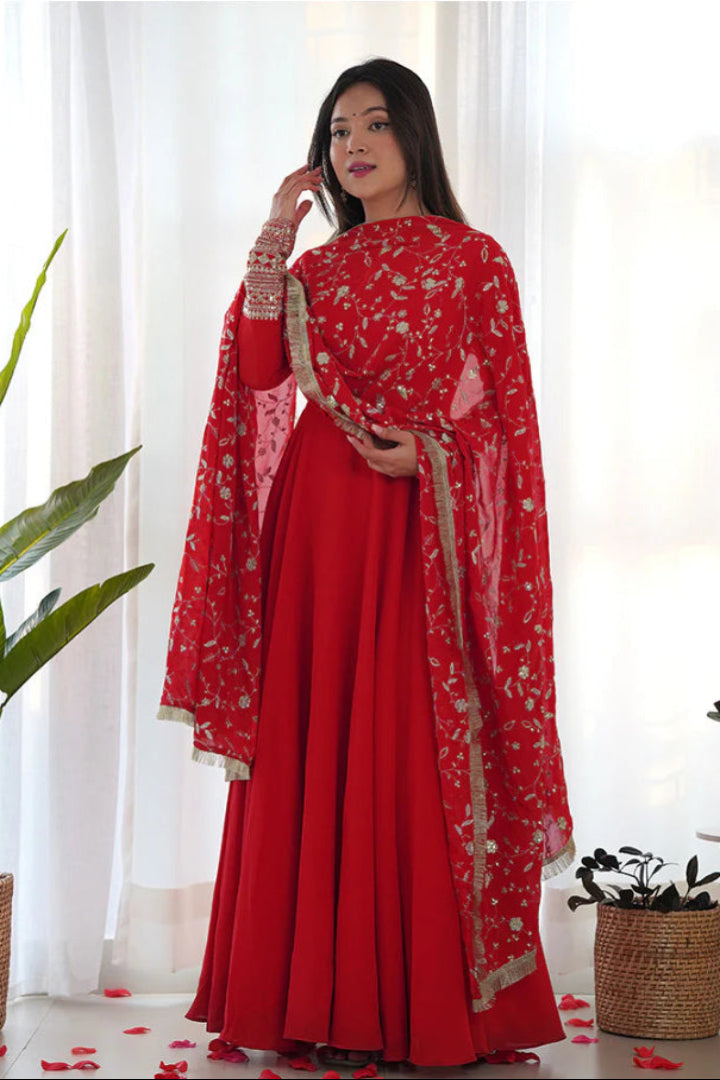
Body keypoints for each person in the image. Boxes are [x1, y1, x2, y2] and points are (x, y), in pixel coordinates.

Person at [158, 58, 574, 1070]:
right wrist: (274, 234)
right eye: (339, 128)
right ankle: (309, 1001)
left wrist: (431, 455)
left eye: (376, 123)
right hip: (318, 533)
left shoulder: (475, 262)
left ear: (415, 135)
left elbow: (506, 428)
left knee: (405, 747)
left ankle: (418, 1006)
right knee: (317, 741)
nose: (354, 143)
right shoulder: (312, 274)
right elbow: (258, 375)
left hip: (418, 536)